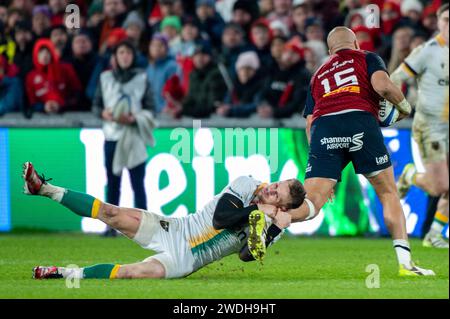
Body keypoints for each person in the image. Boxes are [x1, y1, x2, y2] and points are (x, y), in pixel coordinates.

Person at [252, 26, 435, 276]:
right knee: (388, 193)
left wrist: (325, 165)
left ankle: (270, 215)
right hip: (360, 120)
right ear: (356, 43)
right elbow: (382, 86)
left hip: (324, 128)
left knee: (313, 202)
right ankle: (405, 264)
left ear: (330, 51)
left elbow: (309, 123)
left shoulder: (318, 74)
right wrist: (404, 107)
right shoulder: (367, 57)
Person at [23, 162, 302, 279]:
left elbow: (245, 256)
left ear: (283, 206)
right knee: (111, 213)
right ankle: (44, 188)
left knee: (129, 273)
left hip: (186, 262)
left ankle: (61, 273)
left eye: (278, 194)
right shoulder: (246, 184)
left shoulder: (271, 225)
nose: (271, 188)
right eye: (277, 183)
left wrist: (273, 227)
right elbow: (221, 219)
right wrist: (256, 212)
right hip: (174, 229)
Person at [392, 4, 449, 249]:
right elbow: (395, 79)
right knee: (441, 186)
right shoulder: (427, 51)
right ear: (437, 22)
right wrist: (401, 107)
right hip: (431, 126)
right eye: (446, 19)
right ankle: (409, 175)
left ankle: (434, 234)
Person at [92, 40, 156, 236]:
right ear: (115, 57)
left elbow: (151, 108)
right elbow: (96, 106)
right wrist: (104, 114)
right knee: (113, 184)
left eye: (128, 53)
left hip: (133, 135)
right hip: (112, 135)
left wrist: (135, 117)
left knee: (138, 183)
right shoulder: (105, 78)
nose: (125, 56)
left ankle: (146, 228)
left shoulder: (142, 78)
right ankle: (111, 226)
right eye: (121, 52)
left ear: (133, 56)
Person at [25, 39, 82, 114]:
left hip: (67, 116)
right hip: (41, 120)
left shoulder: (66, 69)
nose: (45, 55)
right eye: (41, 52)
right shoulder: (31, 76)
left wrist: (61, 105)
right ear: (36, 54)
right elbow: (31, 101)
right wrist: (43, 107)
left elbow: (77, 93)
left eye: (48, 52)